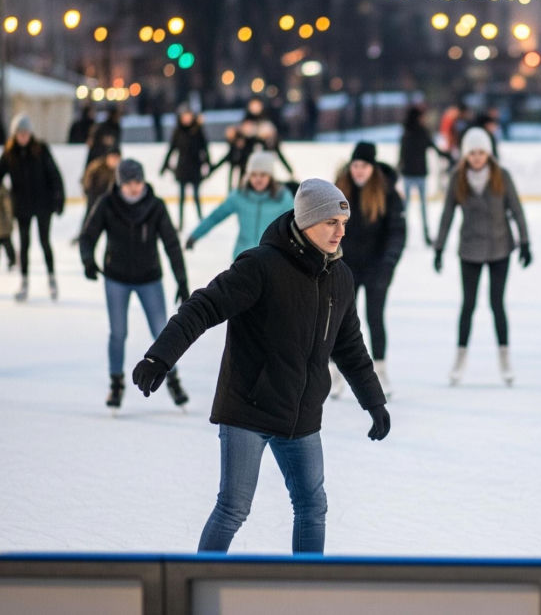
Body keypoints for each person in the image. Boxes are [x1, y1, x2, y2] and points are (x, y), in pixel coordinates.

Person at [131, 178, 390, 554]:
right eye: (331, 222)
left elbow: (349, 346)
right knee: (233, 508)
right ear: (306, 222)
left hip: (300, 415)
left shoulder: (340, 278)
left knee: (312, 508)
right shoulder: (261, 266)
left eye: (344, 223)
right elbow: (203, 306)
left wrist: (373, 401)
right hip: (248, 411)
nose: (340, 232)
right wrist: (160, 355)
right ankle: (200, 584)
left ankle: (306, 590)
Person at [79, 158, 191, 410]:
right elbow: (87, 236)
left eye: (138, 181)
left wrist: (182, 280)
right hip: (116, 278)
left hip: (149, 277)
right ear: (119, 183)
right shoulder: (107, 204)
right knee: (118, 333)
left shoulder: (156, 206)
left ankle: (173, 379)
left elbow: (172, 245)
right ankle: (116, 384)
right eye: (128, 182)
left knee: (162, 331)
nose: (134, 187)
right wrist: (88, 260)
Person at [434, 127, 530, 386]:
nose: (477, 157)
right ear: (466, 155)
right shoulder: (458, 178)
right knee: (468, 305)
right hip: (470, 249)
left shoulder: (502, 176)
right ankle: (459, 358)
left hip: (500, 248)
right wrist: (439, 247)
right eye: (472, 153)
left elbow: (517, 210)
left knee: (497, 304)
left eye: (481, 152)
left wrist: (525, 242)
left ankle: (505, 358)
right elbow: (447, 214)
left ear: (488, 153)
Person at [334, 141, 407, 395]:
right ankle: (336, 371)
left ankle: (381, 370)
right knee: (342, 320)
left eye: (363, 165)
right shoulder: (339, 191)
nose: (359, 170)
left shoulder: (387, 192)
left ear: (372, 167)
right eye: (355, 165)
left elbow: (397, 232)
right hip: (345, 267)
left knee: (375, 318)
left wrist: (388, 263)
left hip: (377, 268)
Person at [0, 113, 65, 302]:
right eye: (20, 133)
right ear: (14, 134)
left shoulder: (41, 149)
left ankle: (52, 279)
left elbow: (54, 174)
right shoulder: (9, 153)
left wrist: (59, 198)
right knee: (25, 244)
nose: (23, 136)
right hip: (22, 206)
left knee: (45, 242)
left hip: (43, 204)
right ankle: (24, 281)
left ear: (30, 133)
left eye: (26, 132)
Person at [185, 150, 294, 260]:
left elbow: (296, 226)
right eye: (254, 174)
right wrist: (194, 236)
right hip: (243, 257)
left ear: (270, 176)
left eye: (263, 174)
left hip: (270, 259)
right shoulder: (239, 196)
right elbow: (215, 217)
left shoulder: (283, 198)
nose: (258, 179)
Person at [398, 104, 451, 245]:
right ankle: (408, 236)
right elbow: (403, 154)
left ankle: (419, 236)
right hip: (414, 174)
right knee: (411, 208)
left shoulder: (414, 133)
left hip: (415, 174)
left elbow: (402, 156)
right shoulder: (414, 133)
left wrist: (447, 155)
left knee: (413, 207)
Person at [161, 105, 212, 231]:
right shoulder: (178, 132)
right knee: (182, 197)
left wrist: (208, 164)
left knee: (196, 195)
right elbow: (172, 149)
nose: (186, 119)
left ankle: (201, 220)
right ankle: (181, 222)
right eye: (184, 116)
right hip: (182, 167)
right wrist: (164, 165)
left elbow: (204, 148)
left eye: (188, 116)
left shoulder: (198, 130)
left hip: (195, 167)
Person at [0, 182, 14, 270]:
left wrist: (9, 219)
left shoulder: (2, 190)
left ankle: (12, 260)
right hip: (3, 223)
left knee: (6, 242)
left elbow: (8, 206)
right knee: (6, 242)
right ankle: (12, 260)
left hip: (3, 223)